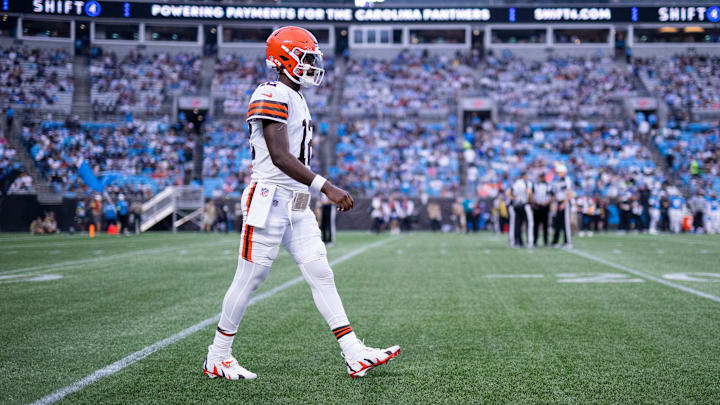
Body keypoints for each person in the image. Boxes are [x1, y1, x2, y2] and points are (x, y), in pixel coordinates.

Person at [203, 27, 399, 381]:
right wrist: (327, 187)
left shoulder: (295, 96)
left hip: (296, 203)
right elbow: (279, 156)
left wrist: (315, 191)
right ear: (284, 58)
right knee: (250, 278)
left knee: (321, 272)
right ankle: (217, 355)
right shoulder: (271, 91)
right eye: (306, 57)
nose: (312, 65)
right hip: (268, 199)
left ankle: (353, 352)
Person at [551, 164, 572, 248]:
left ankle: (568, 242)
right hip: (559, 203)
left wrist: (565, 203)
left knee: (565, 223)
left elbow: (569, 193)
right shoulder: (558, 181)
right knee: (558, 223)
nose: (558, 174)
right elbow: (556, 193)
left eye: (559, 172)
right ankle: (555, 241)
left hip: (564, 203)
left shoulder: (567, 180)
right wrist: (555, 203)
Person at [510, 172, 533, 247]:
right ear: (524, 176)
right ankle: (529, 241)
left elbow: (509, 192)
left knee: (517, 224)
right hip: (525, 205)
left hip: (517, 205)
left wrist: (514, 199)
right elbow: (529, 194)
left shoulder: (517, 183)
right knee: (529, 223)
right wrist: (530, 202)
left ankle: (517, 241)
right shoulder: (526, 183)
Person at [532, 173, 552, 246]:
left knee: (545, 225)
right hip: (537, 207)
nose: (542, 178)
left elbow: (551, 196)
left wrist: (546, 203)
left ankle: (546, 241)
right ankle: (535, 240)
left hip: (545, 207)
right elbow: (532, 195)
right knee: (536, 225)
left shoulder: (548, 185)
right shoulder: (535, 185)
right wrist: (535, 203)